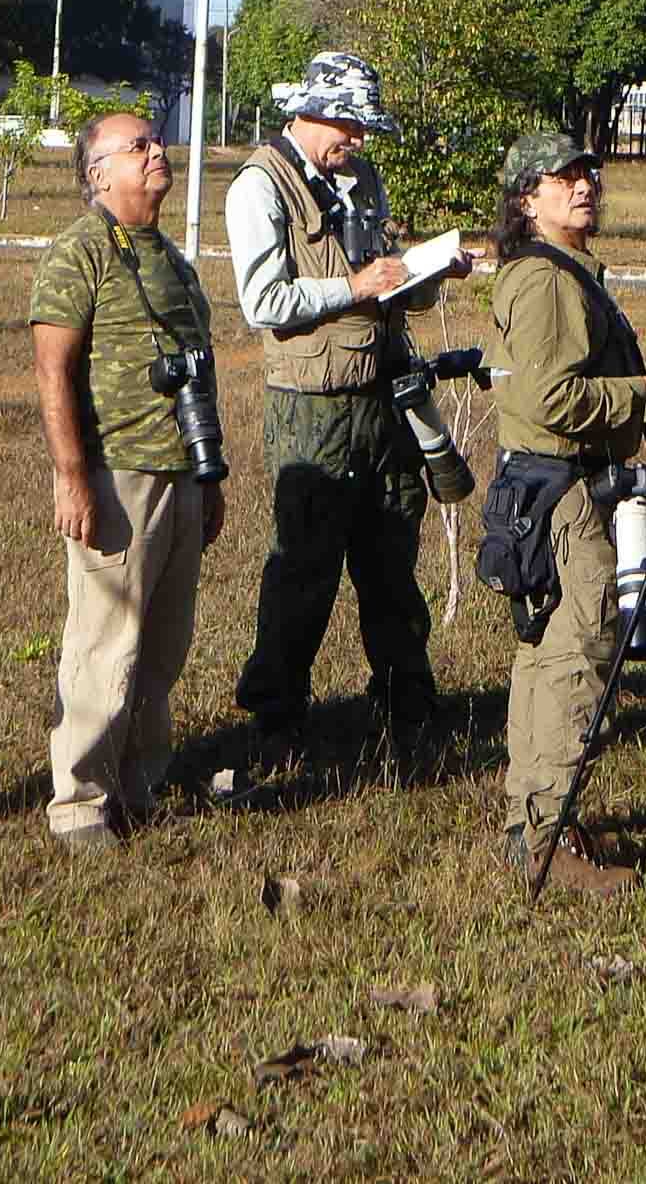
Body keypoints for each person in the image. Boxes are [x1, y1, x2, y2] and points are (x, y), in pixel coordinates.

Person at [225, 51, 468, 763]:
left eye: (362, 128)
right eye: (349, 125)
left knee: (393, 550)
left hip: (385, 391)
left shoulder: (359, 177)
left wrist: (424, 275)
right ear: (310, 112)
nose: (357, 141)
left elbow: (381, 279)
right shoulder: (257, 185)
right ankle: (275, 714)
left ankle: (406, 700)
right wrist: (356, 288)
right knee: (304, 563)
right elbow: (263, 303)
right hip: (312, 404)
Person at [486, 131, 646, 894]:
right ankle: (543, 839)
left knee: (546, 658)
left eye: (587, 173)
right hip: (562, 491)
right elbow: (545, 398)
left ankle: (540, 821)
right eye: (562, 177)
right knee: (574, 660)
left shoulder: (564, 270)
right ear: (526, 197)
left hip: (552, 487)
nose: (583, 186)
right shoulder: (545, 281)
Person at [29, 110, 226, 851]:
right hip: (117, 472)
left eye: (156, 141)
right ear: (97, 172)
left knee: (162, 646)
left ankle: (139, 785)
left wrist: (211, 476)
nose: (156, 153)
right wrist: (72, 476)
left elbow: (197, 371)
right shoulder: (79, 251)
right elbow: (53, 369)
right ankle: (78, 803)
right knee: (104, 640)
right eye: (136, 146)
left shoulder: (168, 256)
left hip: (179, 470)